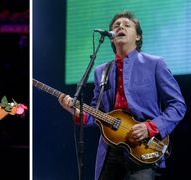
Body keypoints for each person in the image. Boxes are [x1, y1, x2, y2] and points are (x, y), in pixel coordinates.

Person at [59, 10, 186, 180]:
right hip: (110, 150)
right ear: (111, 37)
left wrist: (151, 127)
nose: (120, 27)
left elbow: (178, 105)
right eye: (116, 25)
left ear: (138, 37)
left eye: (127, 25)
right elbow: (96, 114)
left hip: (143, 147)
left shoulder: (155, 64)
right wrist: (78, 113)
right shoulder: (101, 72)